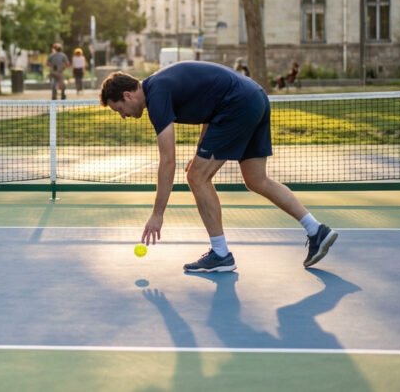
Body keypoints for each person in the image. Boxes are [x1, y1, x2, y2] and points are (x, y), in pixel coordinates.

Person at [99, 62, 337, 273]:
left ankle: (221, 254)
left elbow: (168, 160)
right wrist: (199, 152)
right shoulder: (161, 86)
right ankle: (316, 230)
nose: (123, 116)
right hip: (255, 97)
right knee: (256, 179)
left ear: (128, 95)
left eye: (118, 109)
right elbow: (208, 107)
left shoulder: (157, 95)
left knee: (196, 177)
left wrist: (157, 214)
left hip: (237, 104)